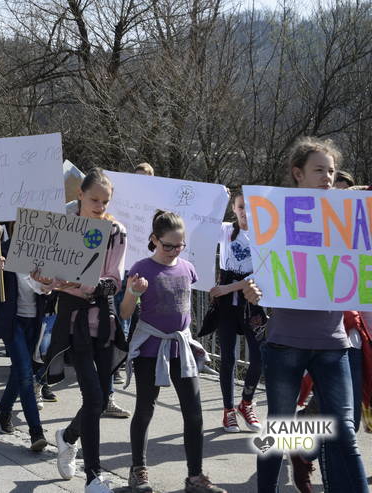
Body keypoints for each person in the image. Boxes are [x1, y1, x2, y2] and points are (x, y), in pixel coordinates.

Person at [243, 137, 368, 493]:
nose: (327, 177)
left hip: (333, 343)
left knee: (344, 430)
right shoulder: (276, 218)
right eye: (319, 170)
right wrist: (254, 290)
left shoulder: (347, 220)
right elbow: (263, 275)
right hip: (285, 343)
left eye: (331, 171)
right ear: (298, 174)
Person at [120, 210, 225, 493]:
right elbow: (125, 312)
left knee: (194, 413)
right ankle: (138, 471)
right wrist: (133, 292)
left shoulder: (187, 268)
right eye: (169, 246)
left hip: (181, 348)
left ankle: (195, 477)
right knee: (145, 409)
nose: (175, 251)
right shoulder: (141, 268)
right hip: (150, 350)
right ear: (154, 239)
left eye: (180, 246)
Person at [43, 168, 126, 493]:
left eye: (105, 201)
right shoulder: (60, 225)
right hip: (73, 323)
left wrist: (85, 283)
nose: (100, 206)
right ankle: (93, 477)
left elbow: (114, 281)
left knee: (101, 399)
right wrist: (44, 279)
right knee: (92, 396)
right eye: (94, 200)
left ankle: (67, 437)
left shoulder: (116, 231)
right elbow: (44, 278)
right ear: (80, 195)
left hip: (103, 322)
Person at [198, 189, 264, 434]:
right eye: (241, 207)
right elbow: (202, 228)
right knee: (227, 357)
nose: (246, 212)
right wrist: (219, 200)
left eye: (251, 207)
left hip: (251, 300)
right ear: (234, 209)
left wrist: (228, 288)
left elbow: (260, 274)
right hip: (226, 303)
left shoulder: (264, 235)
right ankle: (228, 410)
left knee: (259, 356)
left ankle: (246, 403)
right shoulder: (225, 230)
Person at [0, 236, 51, 452]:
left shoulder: (44, 249)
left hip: (35, 321)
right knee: (25, 374)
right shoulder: (3, 249)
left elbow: (50, 289)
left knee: (20, 370)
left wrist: (49, 286)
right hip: (12, 321)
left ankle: (3, 412)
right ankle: (36, 432)